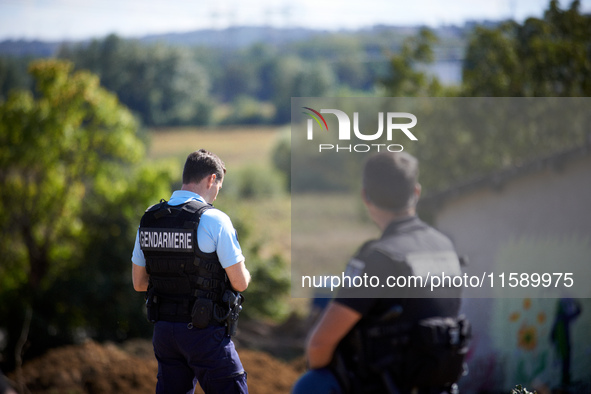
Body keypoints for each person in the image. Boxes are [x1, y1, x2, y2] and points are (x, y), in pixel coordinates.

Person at [293, 151, 470, 394]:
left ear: (365, 196)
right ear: (416, 192)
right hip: (442, 386)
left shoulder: (380, 258)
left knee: (313, 383)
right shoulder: (445, 246)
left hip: (386, 387)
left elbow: (319, 344)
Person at [131, 149, 251, 394]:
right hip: (204, 333)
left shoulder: (150, 217)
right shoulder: (215, 220)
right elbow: (239, 283)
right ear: (211, 180)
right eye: (219, 186)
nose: (217, 194)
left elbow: (139, 283)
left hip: (164, 333)